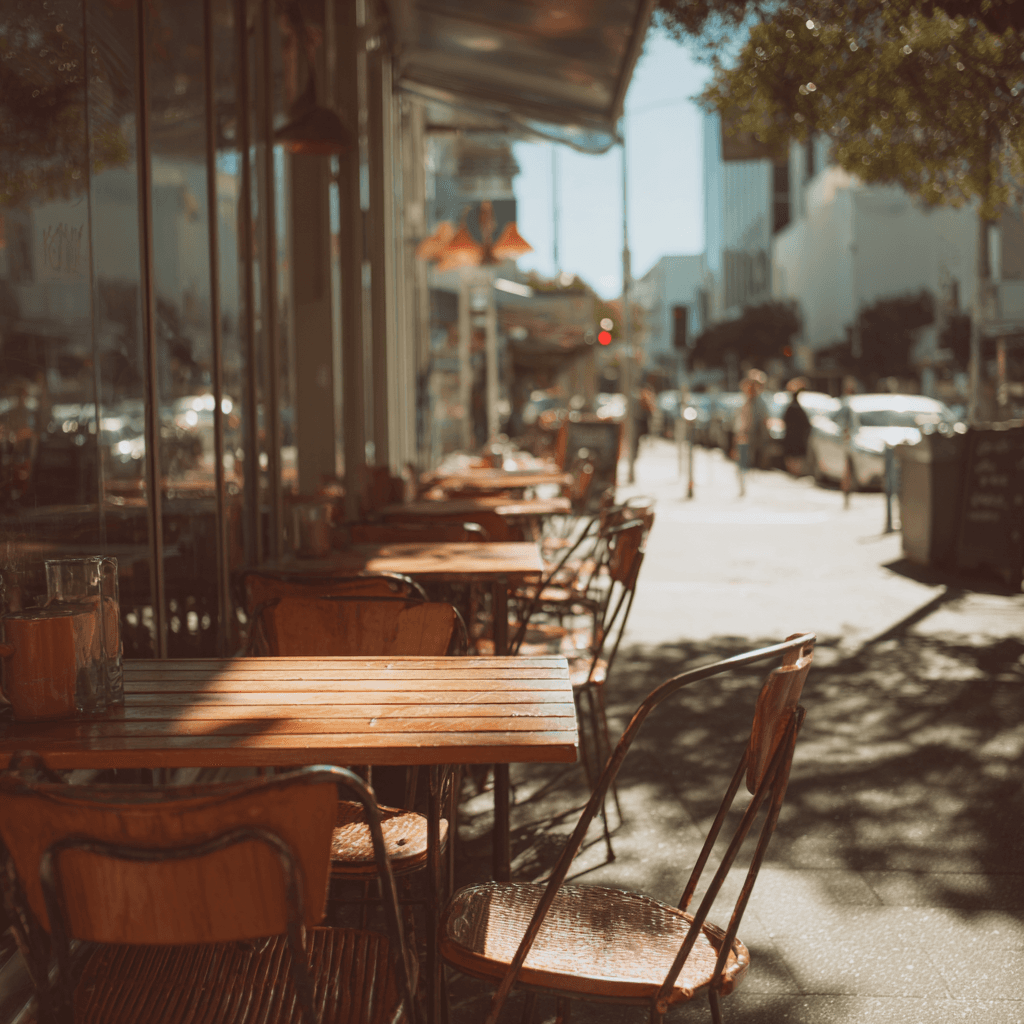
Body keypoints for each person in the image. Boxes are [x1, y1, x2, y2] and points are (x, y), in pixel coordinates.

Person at [734, 369, 768, 497]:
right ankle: (742, 488)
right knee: (741, 464)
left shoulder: (759, 403)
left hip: (750, 437)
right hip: (743, 437)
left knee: (745, 464)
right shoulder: (744, 400)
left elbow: (762, 422)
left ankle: (744, 488)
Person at [782, 377, 812, 476]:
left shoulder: (796, 407)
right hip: (795, 439)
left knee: (795, 458)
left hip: (795, 439)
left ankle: (795, 473)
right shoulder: (795, 408)